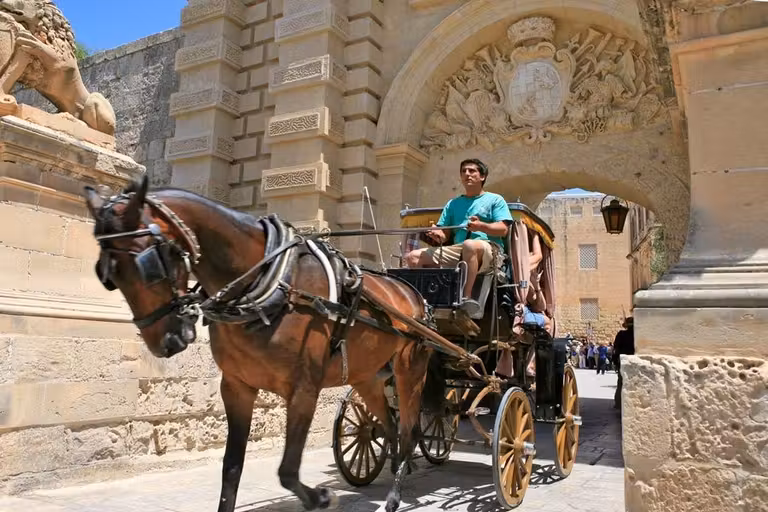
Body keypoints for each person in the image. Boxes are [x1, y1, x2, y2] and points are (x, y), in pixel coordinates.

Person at [404, 158, 512, 316]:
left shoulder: (495, 200)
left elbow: (503, 229)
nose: (467, 174)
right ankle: (424, 302)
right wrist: (437, 234)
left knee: (470, 245)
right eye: (463, 171)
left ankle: (465, 299)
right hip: (459, 250)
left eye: (472, 171)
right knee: (412, 257)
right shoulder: (452, 204)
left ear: (482, 177)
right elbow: (444, 235)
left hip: (490, 252)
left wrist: (480, 226)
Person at [612, 316, 636, 409]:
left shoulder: (621, 334)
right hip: (633, 360)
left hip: (623, 361)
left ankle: (619, 403)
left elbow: (616, 348)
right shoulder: (637, 335)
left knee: (621, 383)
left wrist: (615, 361)